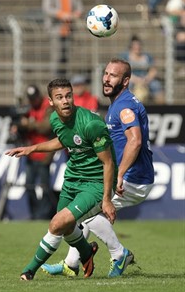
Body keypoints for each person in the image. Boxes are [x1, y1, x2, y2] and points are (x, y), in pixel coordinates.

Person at [41, 58, 154, 278]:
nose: (106, 78)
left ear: (126, 80)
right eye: (106, 73)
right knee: (82, 215)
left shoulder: (125, 106)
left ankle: (118, 254)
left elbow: (135, 141)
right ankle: (71, 264)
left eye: (113, 75)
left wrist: (120, 174)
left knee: (87, 212)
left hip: (133, 178)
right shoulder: (118, 102)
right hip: (130, 175)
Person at [5, 78, 117, 280]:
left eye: (68, 96)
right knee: (65, 228)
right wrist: (32, 148)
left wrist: (107, 199)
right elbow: (63, 140)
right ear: (50, 101)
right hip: (72, 178)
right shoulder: (55, 120)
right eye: (59, 97)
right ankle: (86, 253)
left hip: (94, 183)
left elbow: (108, 163)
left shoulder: (91, 124)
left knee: (57, 223)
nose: (65, 101)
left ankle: (29, 271)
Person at [9, 85, 55, 220]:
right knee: (29, 185)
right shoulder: (27, 109)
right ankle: (35, 214)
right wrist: (18, 126)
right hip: (30, 153)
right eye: (30, 99)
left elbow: (46, 127)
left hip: (44, 152)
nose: (32, 102)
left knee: (44, 187)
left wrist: (28, 123)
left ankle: (44, 215)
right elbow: (20, 124)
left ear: (39, 97)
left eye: (34, 99)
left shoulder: (48, 107)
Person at [42, 0, 83, 77]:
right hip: (55, 30)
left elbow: (79, 8)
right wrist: (61, 14)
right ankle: (55, 81)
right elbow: (47, 8)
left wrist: (74, 14)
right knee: (57, 59)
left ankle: (66, 80)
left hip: (69, 30)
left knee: (67, 59)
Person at [119, 35, 165, 104]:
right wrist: (136, 80)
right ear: (131, 46)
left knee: (156, 85)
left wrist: (147, 79)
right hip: (131, 79)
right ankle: (128, 106)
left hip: (145, 79)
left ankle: (162, 108)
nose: (137, 47)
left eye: (138, 45)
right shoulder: (125, 56)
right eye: (135, 45)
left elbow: (153, 70)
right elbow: (123, 72)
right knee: (127, 86)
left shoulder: (147, 56)